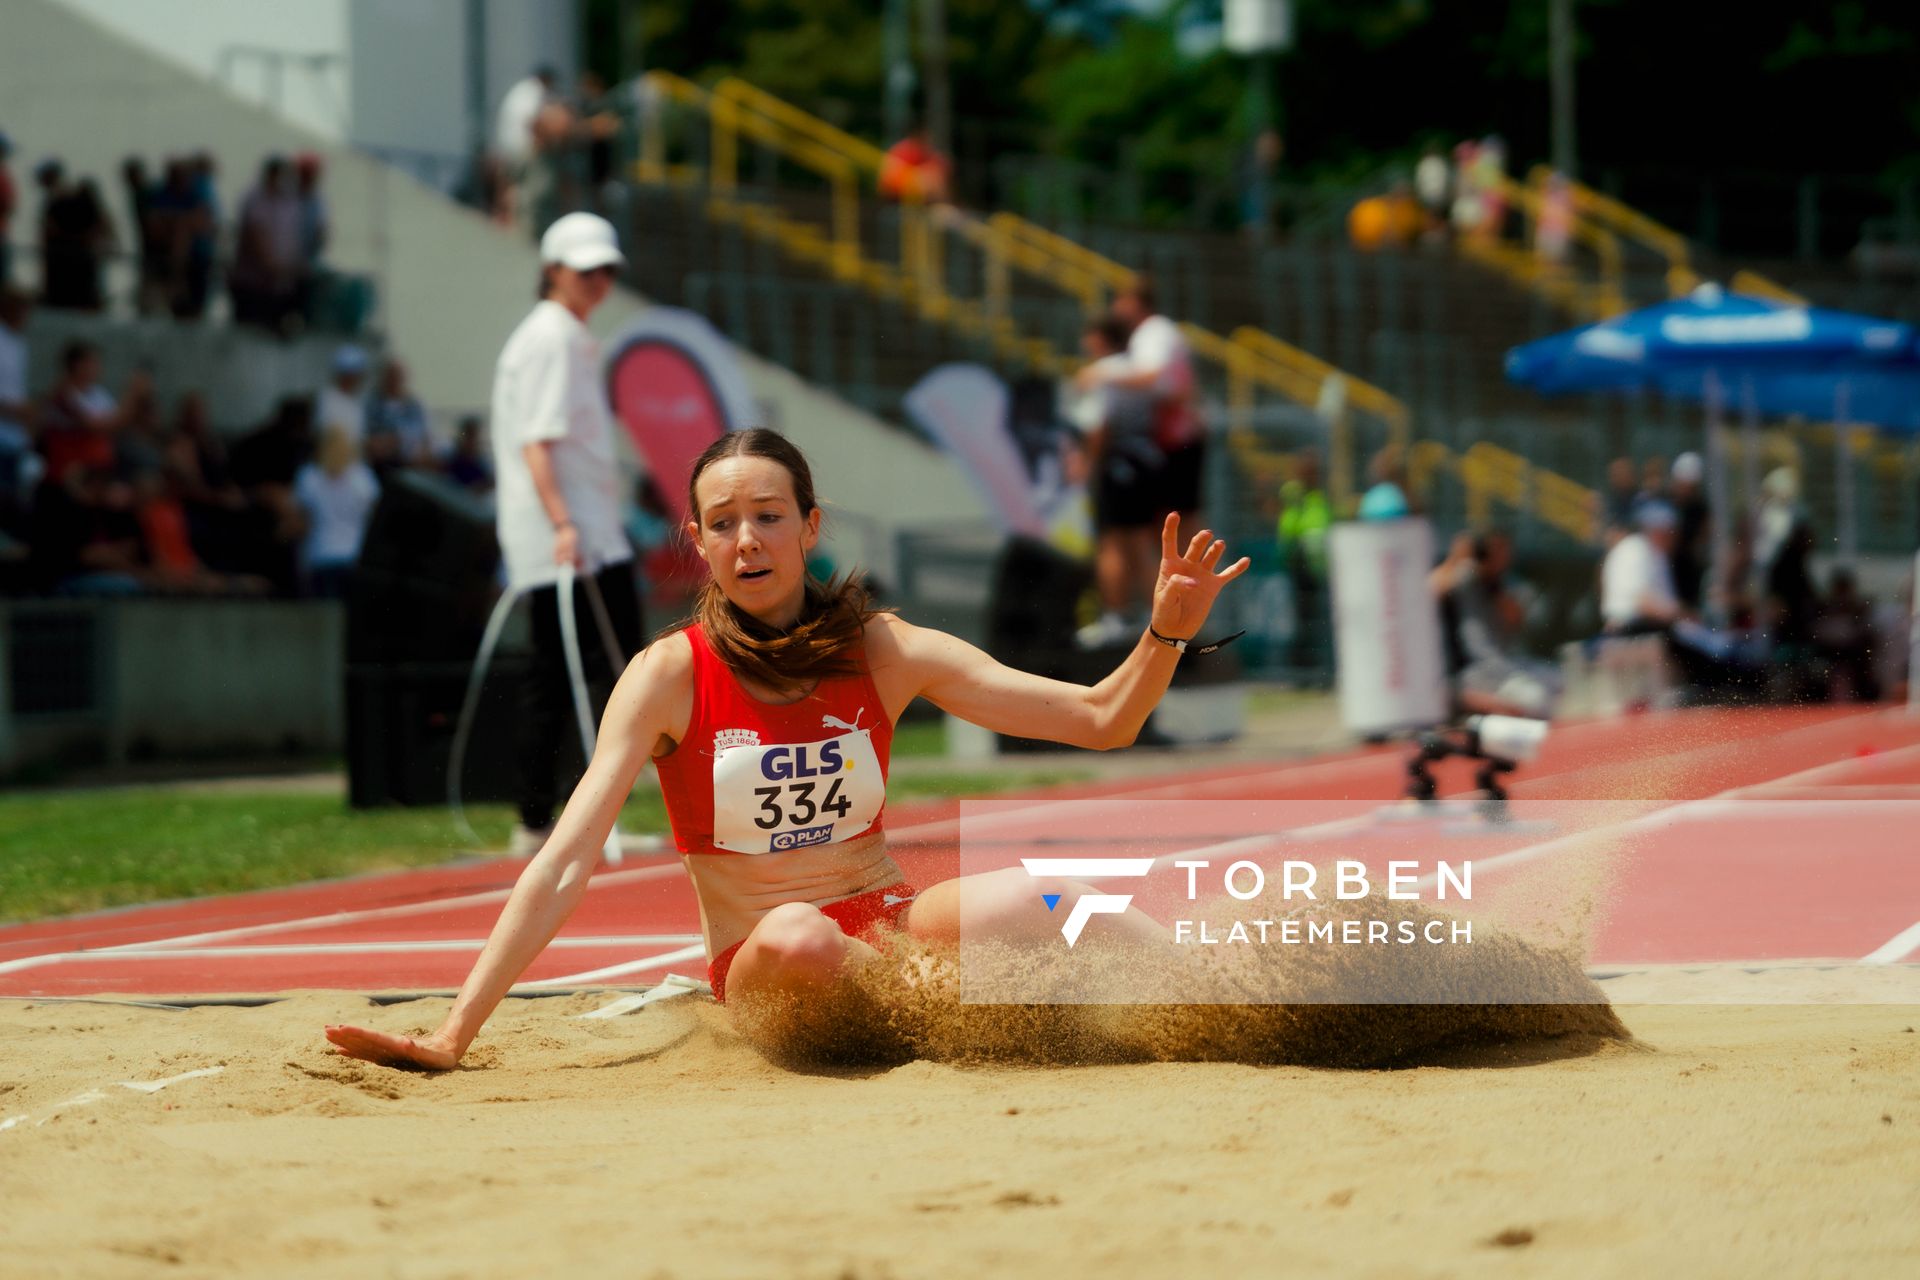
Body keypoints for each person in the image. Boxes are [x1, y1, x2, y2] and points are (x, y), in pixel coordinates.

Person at [323, 428, 1250, 1069]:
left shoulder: (882, 648)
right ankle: (954, 1013)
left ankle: (1231, 999)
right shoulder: (667, 676)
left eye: (768, 515)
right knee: (800, 934)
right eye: (722, 523)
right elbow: (564, 864)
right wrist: (454, 1032)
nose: (747, 539)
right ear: (697, 542)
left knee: (1052, 892)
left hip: (888, 922)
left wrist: (1162, 636)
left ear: (810, 525)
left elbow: (1101, 718)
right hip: (769, 962)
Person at [490, 212, 647, 855]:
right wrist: (561, 523)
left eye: (606, 270)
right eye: (586, 270)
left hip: (585, 531)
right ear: (553, 270)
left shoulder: (563, 335)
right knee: (608, 677)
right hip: (572, 535)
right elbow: (538, 443)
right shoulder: (553, 337)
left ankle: (549, 821)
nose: (599, 281)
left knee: (592, 675)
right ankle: (548, 822)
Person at [1070, 312, 1163, 647]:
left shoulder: (1104, 373)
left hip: (1118, 463)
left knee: (1112, 543)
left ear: (1101, 338)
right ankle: (1160, 617)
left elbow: (1100, 425)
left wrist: (1090, 466)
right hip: (1144, 459)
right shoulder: (1132, 368)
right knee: (1141, 543)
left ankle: (1115, 616)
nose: (1084, 344)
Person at [292, 427, 379, 598]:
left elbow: (301, 521)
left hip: (321, 553)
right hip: (354, 553)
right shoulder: (362, 477)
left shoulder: (309, 476)